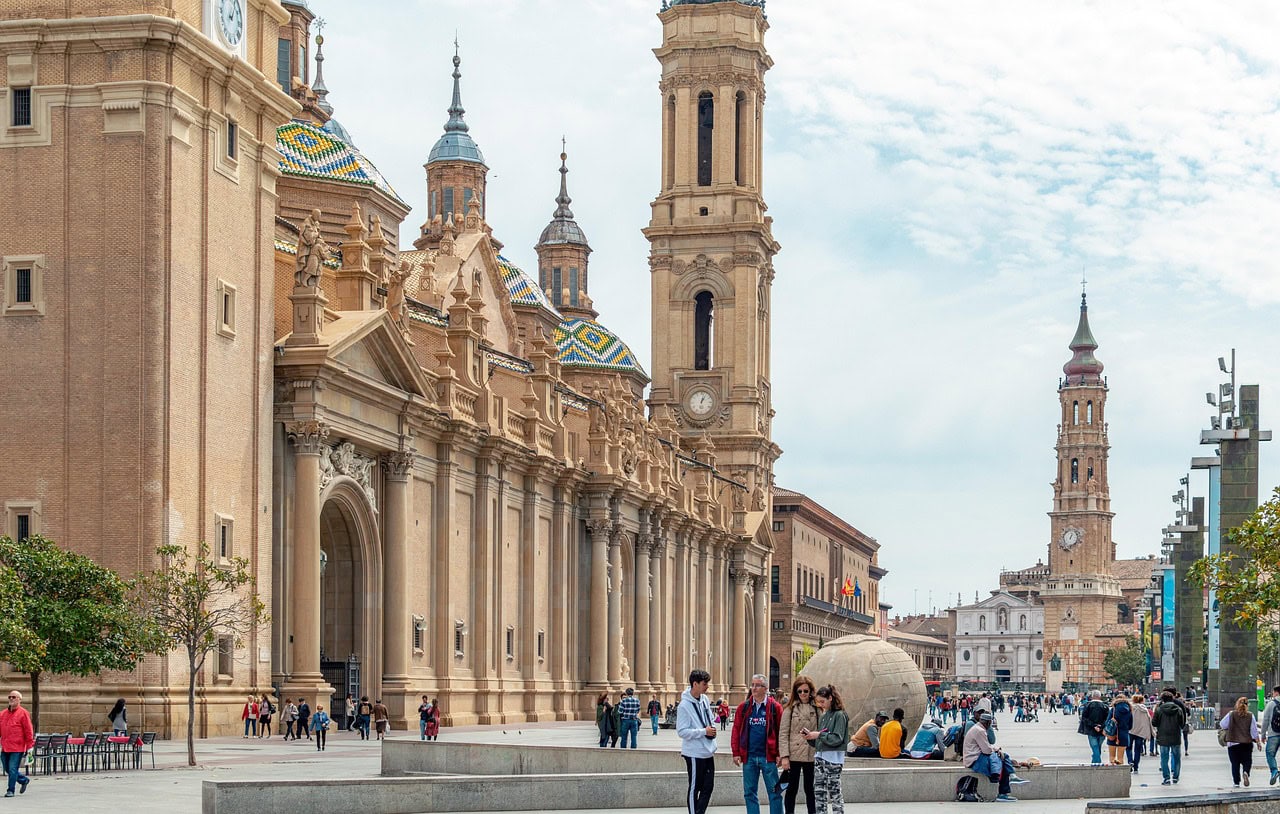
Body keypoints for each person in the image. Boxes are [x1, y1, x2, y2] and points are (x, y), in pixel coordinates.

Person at [731, 673, 784, 814]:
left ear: (766, 688)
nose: (753, 688)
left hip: (769, 758)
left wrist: (780, 754)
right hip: (749, 757)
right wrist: (736, 752)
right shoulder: (744, 707)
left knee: (775, 792)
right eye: (752, 685)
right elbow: (736, 730)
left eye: (757, 685)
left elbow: (781, 733)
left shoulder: (775, 708)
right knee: (749, 793)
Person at [677, 669, 718, 814]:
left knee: (708, 787)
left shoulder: (705, 700)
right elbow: (681, 731)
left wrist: (711, 728)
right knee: (695, 787)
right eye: (705, 683)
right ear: (695, 684)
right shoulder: (684, 706)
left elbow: (709, 719)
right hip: (694, 753)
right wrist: (703, 732)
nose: (707, 686)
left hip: (708, 751)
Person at [963, 711, 1027, 803]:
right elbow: (987, 750)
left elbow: (986, 747)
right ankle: (1005, 788)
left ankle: (1008, 784)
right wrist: (996, 750)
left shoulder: (977, 728)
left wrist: (995, 750)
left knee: (1003, 757)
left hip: (974, 758)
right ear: (988, 723)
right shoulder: (980, 731)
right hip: (975, 760)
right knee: (1003, 757)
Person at [804, 684, 848, 814]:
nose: (821, 705)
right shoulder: (825, 715)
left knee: (834, 792)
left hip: (833, 759)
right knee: (819, 792)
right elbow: (822, 739)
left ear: (830, 698)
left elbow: (837, 738)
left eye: (823, 701)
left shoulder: (840, 715)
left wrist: (818, 735)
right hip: (820, 757)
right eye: (819, 702)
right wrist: (810, 737)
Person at [779, 676, 818, 814]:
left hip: (811, 754)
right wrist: (784, 756)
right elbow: (783, 734)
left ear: (811, 691)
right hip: (794, 755)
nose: (803, 694)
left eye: (805, 691)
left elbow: (822, 730)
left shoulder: (817, 708)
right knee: (791, 790)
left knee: (811, 790)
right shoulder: (789, 709)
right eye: (799, 691)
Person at [1220, 696, 1262, 787]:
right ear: (1248, 705)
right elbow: (1254, 731)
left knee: (1235, 763)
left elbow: (1222, 724)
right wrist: (1258, 742)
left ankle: (1236, 782)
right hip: (1246, 743)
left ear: (1237, 704)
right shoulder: (1250, 715)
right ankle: (1246, 772)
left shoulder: (1231, 714)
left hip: (1233, 743)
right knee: (1247, 761)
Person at [0, 691, 33, 798]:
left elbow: (28, 730)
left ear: (19, 699)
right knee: (7, 769)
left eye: (14, 697)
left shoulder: (23, 713)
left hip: (17, 747)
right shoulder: (3, 714)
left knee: (12, 769)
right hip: (5, 746)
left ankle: (11, 790)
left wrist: (30, 746)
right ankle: (24, 780)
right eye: (9, 697)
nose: (11, 699)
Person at [1151, 690, 1185, 785]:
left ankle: (1166, 778)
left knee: (1164, 758)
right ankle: (1175, 777)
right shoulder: (1178, 709)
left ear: (1163, 700)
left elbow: (1154, 722)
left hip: (1163, 737)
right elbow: (1182, 724)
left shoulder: (1159, 709)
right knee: (1177, 757)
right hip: (1175, 736)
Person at [1078, 690, 1109, 765]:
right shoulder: (1105, 706)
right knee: (1098, 747)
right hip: (1102, 730)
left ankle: (1097, 762)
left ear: (1092, 696)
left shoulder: (1087, 705)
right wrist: (1101, 726)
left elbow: (1084, 718)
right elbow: (1107, 719)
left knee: (1095, 747)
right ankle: (1095, 762)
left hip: (1091, 730)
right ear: (1100, 696)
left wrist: (1094, 725)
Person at [1128, 694, 1153, 773]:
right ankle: (1136, 766)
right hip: (1141, 732)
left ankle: (1130, 761)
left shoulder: (1130, 708)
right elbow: (1148, 721)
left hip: (1130, 730)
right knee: (1138, 750)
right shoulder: (1144, 710)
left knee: (1128, 748)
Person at [1261, 686, 1280, 785]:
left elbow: (1265, 720)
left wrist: (1263, 735)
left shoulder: (1271, 704)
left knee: (1270, 754)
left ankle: (1274, 771)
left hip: (1273, 734)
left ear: (1276, 693)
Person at [1106, 694, 1132, 766]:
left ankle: (1113, 774)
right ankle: (1120, 774)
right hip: (1124, 735)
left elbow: (1107, 722)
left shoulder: (1113, 709)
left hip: (1112, 734)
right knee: (1120, 758)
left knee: (1112, 757)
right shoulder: (1129, 710)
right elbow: (1130, 726)